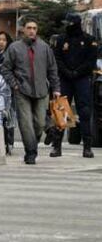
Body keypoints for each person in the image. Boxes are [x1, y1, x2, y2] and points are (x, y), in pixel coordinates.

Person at [1, 17, 61, 165]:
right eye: (29, 28)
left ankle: (33, 143)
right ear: (23, 30)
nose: (32, 31)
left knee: (40, 123)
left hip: (42, 91)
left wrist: (56, 89)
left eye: (34, 28)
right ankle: (31, 153)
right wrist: (14, 84)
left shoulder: (45, 47)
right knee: (26, 123)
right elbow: (5, 69)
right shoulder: (14, 47)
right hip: (22, 91)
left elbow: (52, 70)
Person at [50, 13, 97, 158]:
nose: (67, 26)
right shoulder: (61, 39)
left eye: (69, 23)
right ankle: (57, 146)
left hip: (82, 78)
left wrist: (77, 72)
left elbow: (91, 61)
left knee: (84, 111)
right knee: (62, 111)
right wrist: (67, 72)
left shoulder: (89, 40)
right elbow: (56, 58)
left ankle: (87, 147)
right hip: (65, 78)